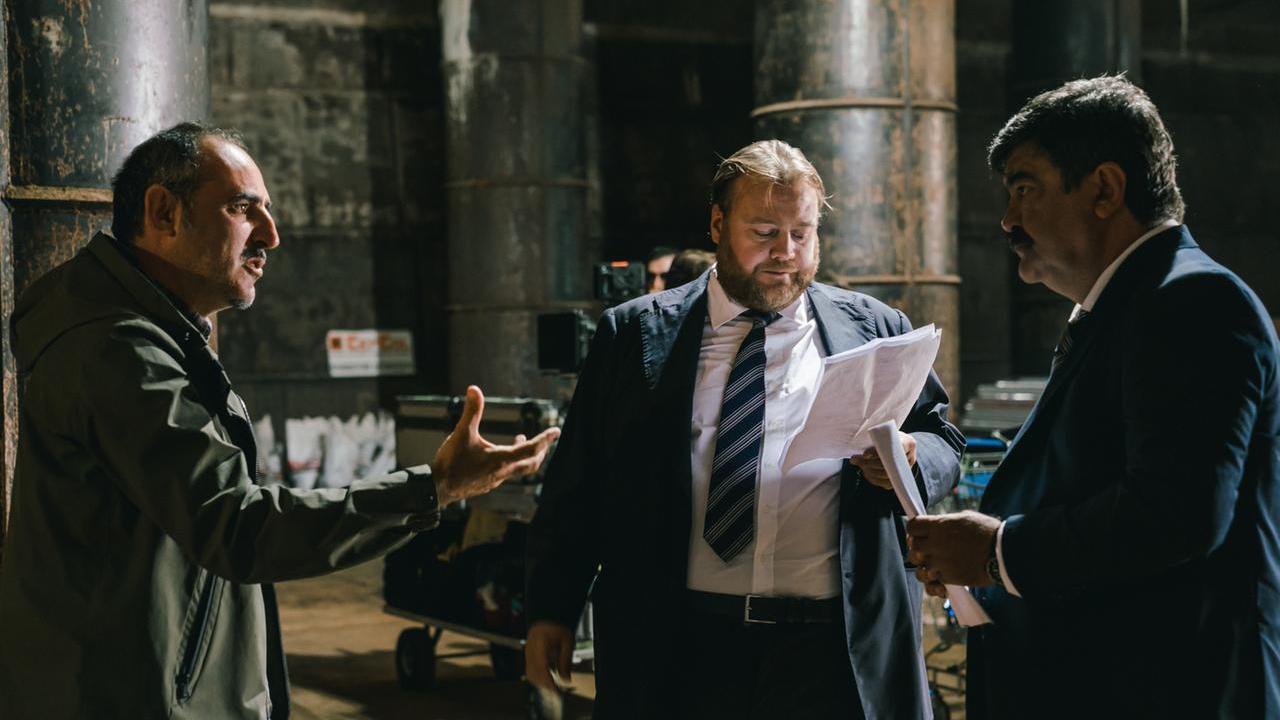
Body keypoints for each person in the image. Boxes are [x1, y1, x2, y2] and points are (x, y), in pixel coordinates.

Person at [0, 122, 560, 719]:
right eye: (244, 209)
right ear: (164, 212)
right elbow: (238, 528)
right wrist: (434, 486)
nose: (272, 235)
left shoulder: (147, 337)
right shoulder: (118, 351)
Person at [525, 139, 963, 718]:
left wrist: (909, 456)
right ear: (717, 223)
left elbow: (942, 440)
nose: (786, 253)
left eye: (801, 234)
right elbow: (578, 482)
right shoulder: (633, 335)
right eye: (763, 232)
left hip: (835, 650)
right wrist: (551, 608)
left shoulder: (875, 329)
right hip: (685, 645)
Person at [906, 76, 1280, 719]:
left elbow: (1176, 514)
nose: (1007, 221)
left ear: (1105, 189)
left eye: (1025, 188)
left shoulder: (1191, 302)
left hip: (1164, 691)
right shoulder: (1129, 305)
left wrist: (996, 553)